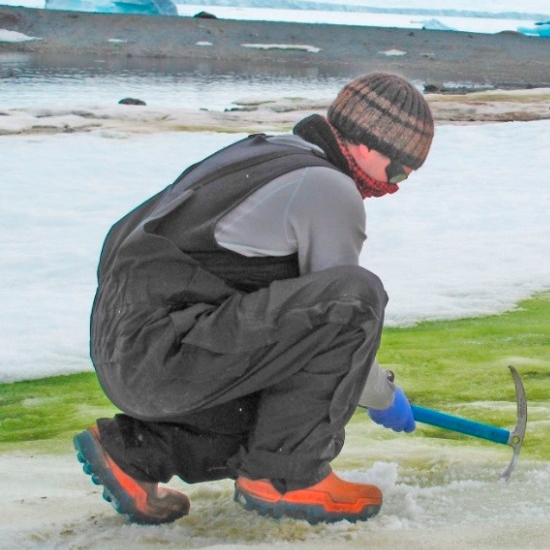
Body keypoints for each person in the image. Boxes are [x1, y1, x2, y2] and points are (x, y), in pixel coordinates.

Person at [73, 72, 434, 525]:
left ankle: (135, 454)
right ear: (366, 144)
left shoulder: (265, 153)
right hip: (167, 352)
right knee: (358, 297)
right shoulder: (328, 187)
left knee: (275, 408)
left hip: (129, 349)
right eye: (398, 170)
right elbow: (341, 317)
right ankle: (287, 477)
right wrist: (382, 394)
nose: (395, 186)